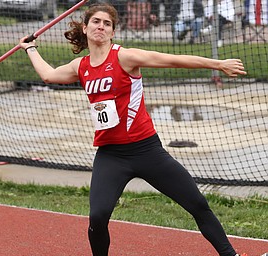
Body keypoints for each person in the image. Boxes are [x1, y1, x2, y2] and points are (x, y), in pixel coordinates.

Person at [18, 3, 246, 255]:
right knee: (98, 216)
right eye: (96, 22)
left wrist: (218, 64)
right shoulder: (80, 67)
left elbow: (172, 60)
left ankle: (230, 254)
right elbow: (49, 76)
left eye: (107, 24)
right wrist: (30, 49)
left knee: (197, 204)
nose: (101, 27)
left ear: (113, 32)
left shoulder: (124, 57)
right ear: (85, 28)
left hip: (147, 150)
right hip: (110, 155)